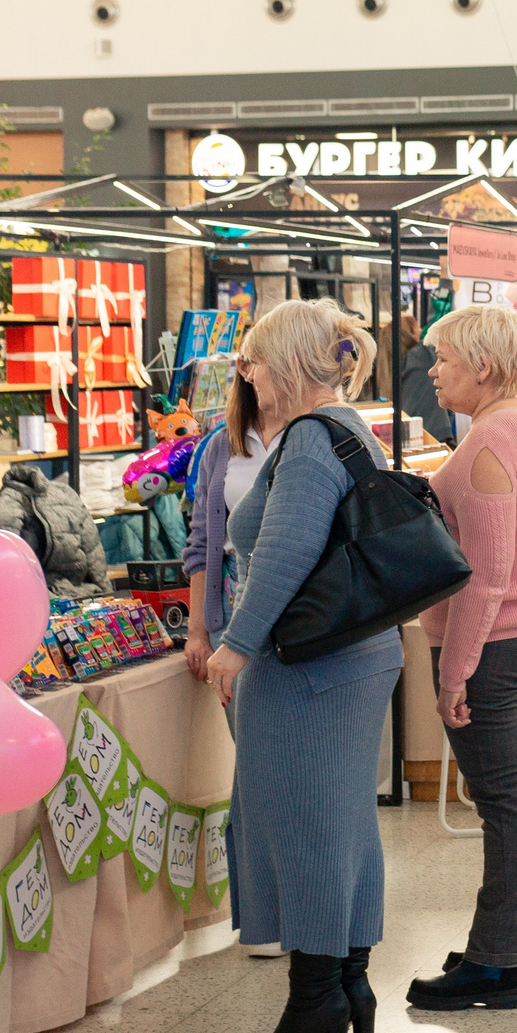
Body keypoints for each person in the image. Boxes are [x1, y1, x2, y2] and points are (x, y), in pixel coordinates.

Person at [202, 301, 403, 1033]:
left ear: (284, 362)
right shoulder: (349, 428)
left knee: (303, 825)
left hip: (309, 666)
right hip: (355, 654)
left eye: (252, 358)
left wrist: (234, 646)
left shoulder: (310, 441)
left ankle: (315, 996)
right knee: (344, 822)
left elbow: (284, 552)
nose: (243, 372)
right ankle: (349, 984)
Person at [405, 306, 517, 1013]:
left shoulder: (488, 444)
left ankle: (494, 961)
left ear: (481, 364)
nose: (434, 370)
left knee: (505, 803)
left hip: (494, 644)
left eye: (442, 357)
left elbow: (486, 574)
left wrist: (454, 674)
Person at [179, 355, 282, 957]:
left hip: (294, 628)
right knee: (253, 770)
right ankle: (259, 915)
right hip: (230, 631)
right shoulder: (221, 445)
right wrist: (199, 630)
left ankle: (287, 910)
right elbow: (201, 544)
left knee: (277, 770)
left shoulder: (306, 436)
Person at [397, 318, 456, 444]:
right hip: (434, 433)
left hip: (415, 431)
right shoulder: (421, 356)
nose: (420, 329)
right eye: (416, 327)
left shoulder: (399, 363)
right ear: (410, 333)